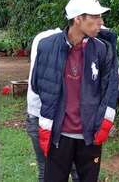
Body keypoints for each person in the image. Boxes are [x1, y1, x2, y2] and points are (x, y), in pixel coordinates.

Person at [31, 0, 119, 182]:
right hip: (59, 135)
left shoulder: (102, 49)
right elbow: (37, 85)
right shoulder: (47, 46)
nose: (101, 22)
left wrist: (101, 123)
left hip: (90, 135)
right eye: (95, 17)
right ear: (78, 19)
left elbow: (109, 89)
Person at [26, 28, 80, 182]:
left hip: (36, 113)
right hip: (54, 117)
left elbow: (35, 83)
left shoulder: (41, 37)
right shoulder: (53, 42)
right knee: (77, 170)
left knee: (46, 169)